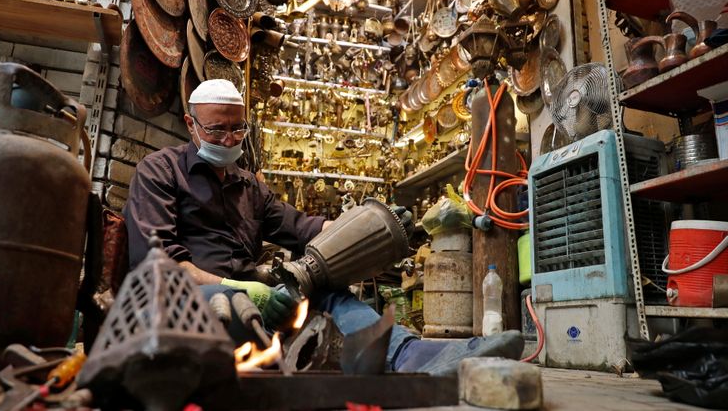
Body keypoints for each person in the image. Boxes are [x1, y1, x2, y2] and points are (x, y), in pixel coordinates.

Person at [124, 79, 523, 375]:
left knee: (326, 289)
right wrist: (240, 290)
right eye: (215, 130)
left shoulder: (248, 186)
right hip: (190, 304)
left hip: (252, 302)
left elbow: (305, 227)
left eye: (237, 129)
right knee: (224, 299)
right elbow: (159, 264)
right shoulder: (159, 172)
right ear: (190, 125)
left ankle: (412, 356)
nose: (228, 139)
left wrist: (371, 226)